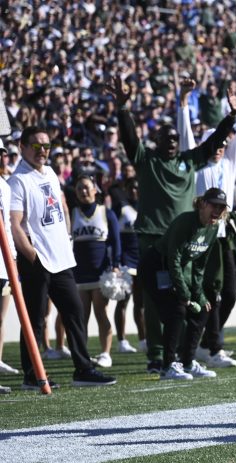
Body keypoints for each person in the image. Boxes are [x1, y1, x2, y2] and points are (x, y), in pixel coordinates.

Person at [105, 75, 236, 373]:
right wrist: (123, 109)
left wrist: (231, 116)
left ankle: (184, 356)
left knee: (189, 293)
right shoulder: (146, 160)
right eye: (167, 138)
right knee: (154, 299)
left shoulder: (189, 161)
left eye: (176, 139)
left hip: (185, 239)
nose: (173, 142)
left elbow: (215, 141)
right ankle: (157, 354)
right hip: (153, 237)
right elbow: (129, 139)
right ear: (158, 141)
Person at [8, 126, 116, 389]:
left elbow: (63, 207)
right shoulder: (18, 180)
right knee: (35, 318)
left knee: (74, 312)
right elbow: (14, 224)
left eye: (46, 146)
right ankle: (32, 375)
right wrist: (32, 257)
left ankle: (83, 369)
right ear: (22, 147)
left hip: (61, 256)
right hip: (38, 260)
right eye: (36, 146)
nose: (42, 151)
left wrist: (66, 238)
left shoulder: (51, 173)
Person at [192, 81, 236, 367]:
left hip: (226, 236)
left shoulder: (228, 163)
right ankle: (212, 347)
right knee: (213, 292)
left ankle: (206, 341)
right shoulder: (195, 166)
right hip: (204, 237)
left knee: (232, 290)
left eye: (222, 143)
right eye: (215, 143)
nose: (220, 147)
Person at [139, 187, 228, 380]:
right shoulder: (186, 222)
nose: (218, 211)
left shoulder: (213, 228)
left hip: (171, 269)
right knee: (176, 311)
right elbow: (174, 260)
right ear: (203, 204)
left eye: (222, 207)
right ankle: (168, 366)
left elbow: (199, 266)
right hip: (155, 267)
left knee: (204, 309)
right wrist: (185, 295)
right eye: (214, 205)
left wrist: (199, 295)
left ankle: (187, 362)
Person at [70, 174, 122, 368]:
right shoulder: (72, 213)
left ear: (95, 190)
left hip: (101, 273)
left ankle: (105, 353)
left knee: (101, 312)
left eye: (86, 187)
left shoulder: (105, 212)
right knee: (81, 316)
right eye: (79, 189)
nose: (83, 191)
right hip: (79, 273)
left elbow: (116, 241)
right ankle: (83, 357)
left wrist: (115, 265)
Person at [112, 177, 146, 353]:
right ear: (125, 189)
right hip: (126, 260)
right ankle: (122, 340)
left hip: (142, 259)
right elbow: (112, 232)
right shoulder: (120, 207)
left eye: (137, 187)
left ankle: (143, 339)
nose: (134, 191)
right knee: (123, 300)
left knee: (140, 302)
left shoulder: (147, 206)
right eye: (131, 187)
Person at [0, 170, 18, 376]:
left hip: (3, 262)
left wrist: (13, 257)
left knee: (0, 317)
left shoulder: (5, 186)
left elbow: (7, 226)